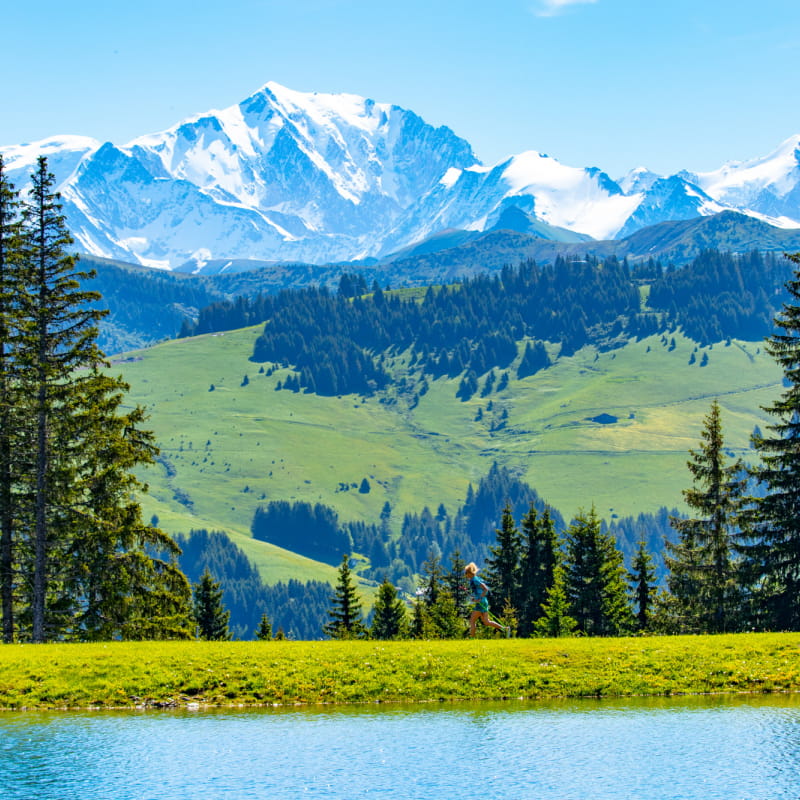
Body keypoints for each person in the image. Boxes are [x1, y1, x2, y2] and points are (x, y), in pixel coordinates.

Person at [464, 562, 508, 637]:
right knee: (486, 622)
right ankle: (505, 629)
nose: (466, 575)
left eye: (466, 573)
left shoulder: (475, 580)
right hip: (484, 601)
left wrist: (479, 599)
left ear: (469, 573)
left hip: (481, 602)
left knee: (472, 621)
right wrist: (475, 599)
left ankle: (472, 639)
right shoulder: (475, 579)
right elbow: (479, 592)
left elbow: (485, 589)